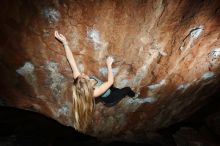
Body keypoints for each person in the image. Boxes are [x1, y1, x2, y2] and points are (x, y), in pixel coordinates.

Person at [54, 31, 137, 132]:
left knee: (114, 89)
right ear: (89, 86)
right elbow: (110, 82)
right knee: (126, 89)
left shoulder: (79, 80)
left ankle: (117, 92)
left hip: (107, 89)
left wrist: (65, 43)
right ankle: (134, 96)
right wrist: (109, 65)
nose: (83, 74)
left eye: (81, 76)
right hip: (110, 98)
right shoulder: (94, 92)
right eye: (84, 77)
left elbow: (71, 60)